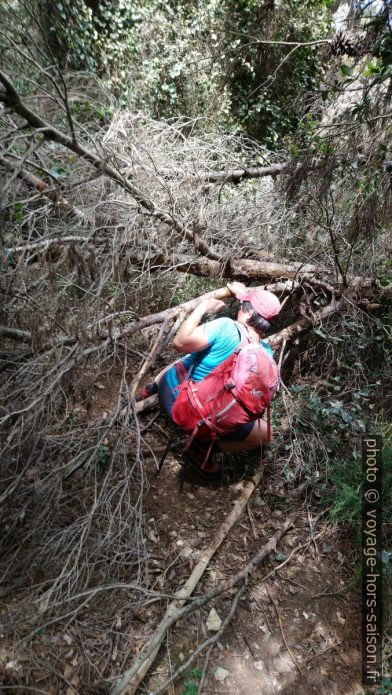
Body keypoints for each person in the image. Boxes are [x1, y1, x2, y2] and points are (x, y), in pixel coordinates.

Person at [137, 281, 281, 476]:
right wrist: (244, 295)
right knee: (266, 434)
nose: (239, 306)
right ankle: (203, 448)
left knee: (189, 356)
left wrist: (202, 307)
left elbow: (179, 342)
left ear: (248, 313)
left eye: (242, 305)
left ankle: (153, 386)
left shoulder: (226, 326)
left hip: (179, 406)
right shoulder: (266, 354)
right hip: (218, 421)